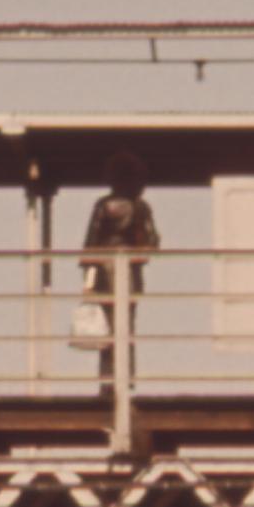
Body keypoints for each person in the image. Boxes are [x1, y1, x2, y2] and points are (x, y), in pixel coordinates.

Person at [79, 151, 161, 388]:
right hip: (131, 275)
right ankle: (126, 378)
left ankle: (107, 380)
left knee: (106, 329)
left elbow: (91, 244)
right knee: (126, 327)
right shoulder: (142, 207)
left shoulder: (103, 205)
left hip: (104, 273)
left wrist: (88, 281)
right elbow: (153, 242)